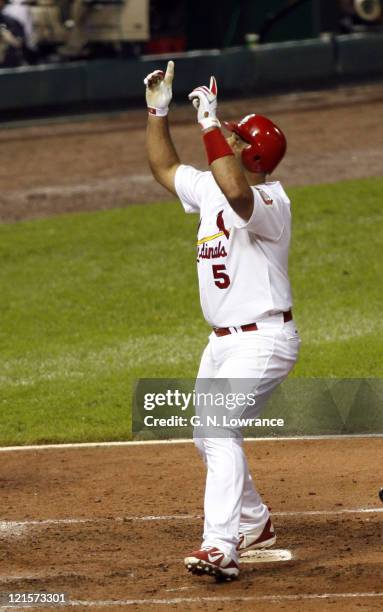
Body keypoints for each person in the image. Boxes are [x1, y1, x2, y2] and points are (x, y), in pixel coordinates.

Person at [144, 61, 301, 581]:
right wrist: (158, 112)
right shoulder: (210, 187)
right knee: (204, 434)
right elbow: (165, 170)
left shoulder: (271, 202)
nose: (224, 136)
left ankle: (220, 547)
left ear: (251, 155)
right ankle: (254, 524)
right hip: (221, 344)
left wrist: (211, 124)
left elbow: (240, 195)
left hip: (265, 340)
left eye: (235, 137)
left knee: (218, 427)